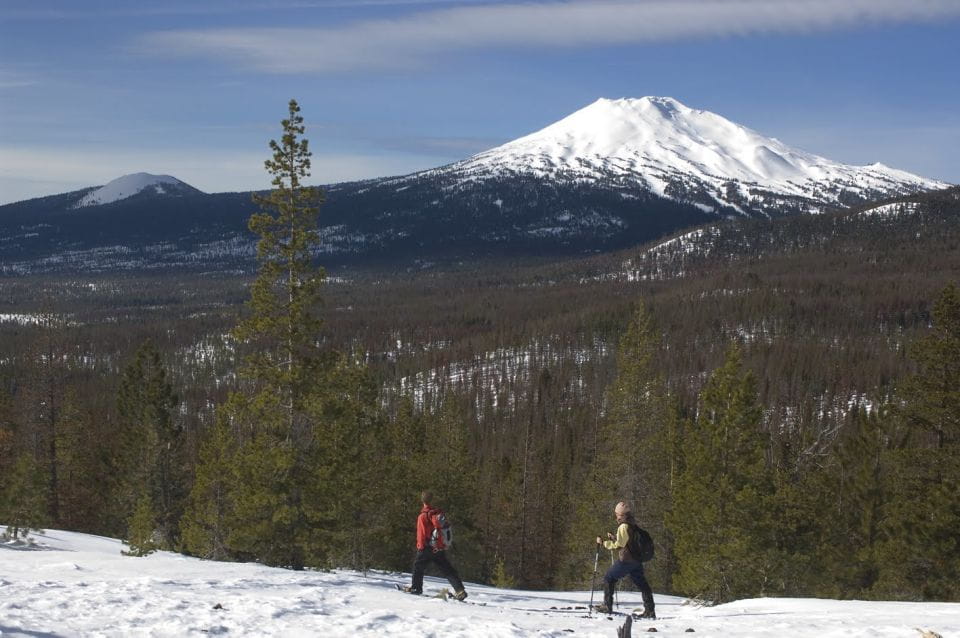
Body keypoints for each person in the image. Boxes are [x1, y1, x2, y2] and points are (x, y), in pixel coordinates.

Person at [402, 490, 468, 601]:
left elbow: (421, 534)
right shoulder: (437, 514)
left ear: (422, 501)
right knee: (448, 570)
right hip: (438, 548)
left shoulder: (422, 516)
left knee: (418, 567)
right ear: (432, 500)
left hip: (427, 547)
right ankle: (460, 590)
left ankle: (416, 588)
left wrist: (420, 547)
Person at [594, 501, 655, 618]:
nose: (616, 516)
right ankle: (650, 610)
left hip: (626, 560)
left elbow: (619, 545)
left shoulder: (623, 526)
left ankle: (607, 606)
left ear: (621, 515)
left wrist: (603, 543)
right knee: (643, 584)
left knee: (609, 578)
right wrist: (614, 537)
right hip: (636, 560)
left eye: (617, 514)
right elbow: (628, 540)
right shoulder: (632, 523)